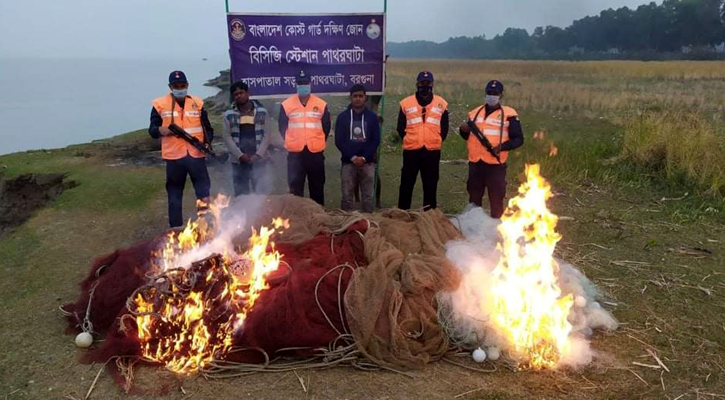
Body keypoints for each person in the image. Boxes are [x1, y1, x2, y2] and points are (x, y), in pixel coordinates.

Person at [149, 70, 214, 228]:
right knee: (174, 196)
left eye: (182, 85)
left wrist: (207, 142)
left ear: (187, 85)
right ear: (170, 87)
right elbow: (152, 130)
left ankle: (205, 225)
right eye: (176, 86)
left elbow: (208, 129)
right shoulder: (160, 105)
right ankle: (176, 230)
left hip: (196, 155)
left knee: (203, 193)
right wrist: (160, 130)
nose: (180, 88)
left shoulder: (197, 103)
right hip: (174, 158)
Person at [459, 80, 524, 219]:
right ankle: (474, 228)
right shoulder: (475, 113)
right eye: (489, 93)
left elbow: (518, 139)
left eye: (495, 93)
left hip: (495, 166)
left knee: (496, 200)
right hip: (475, 164)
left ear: (501, 95)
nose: (491, 96)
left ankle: (496, 231)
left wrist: (502, 147)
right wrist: (463, 130)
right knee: (474, 200)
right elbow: (468, 137)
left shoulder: (509, 114)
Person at [396, 70, 449, 210]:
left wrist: (435, 139)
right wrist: (411, 139)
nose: (424, 86)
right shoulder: (406, 103)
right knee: (406, 184)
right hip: (411, 151)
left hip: (432, 152)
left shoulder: (441, 104)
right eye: (422, 83)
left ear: (432, 85)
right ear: (417, 84)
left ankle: (429, 216)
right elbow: (400, 128)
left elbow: (444, 129)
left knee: (430, 185)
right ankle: (403, 214)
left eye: (427, 83)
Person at [278, 70, 331, 206]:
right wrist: (293, 140)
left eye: (305, 82)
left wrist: (316, 141)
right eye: (300, 83)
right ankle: (297, 220)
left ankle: (318, 219)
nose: (303, 85)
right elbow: (282, 127)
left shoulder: (321, 104)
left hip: (315, 154)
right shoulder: (286, 105)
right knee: (295, 190)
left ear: (310, 83)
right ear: (296, 84)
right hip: (295, 155)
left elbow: (326, 127)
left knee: (317, 188)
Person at [222, 81, 282, 196]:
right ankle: (242, 214)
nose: (239, 96)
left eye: (241, 92)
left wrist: (258, 154)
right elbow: (227, 137)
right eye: (236, 94)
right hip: (238, 162)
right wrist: (240, 155)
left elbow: (266, 135)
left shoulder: (262, 112)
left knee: (261, 193)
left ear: (248, 93)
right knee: (241, 194)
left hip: (259, 160)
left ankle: (261, 214)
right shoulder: (228, 114)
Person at [334, 84, 381, 213]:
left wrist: (364, 157)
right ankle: (347, 226)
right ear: (351, 97)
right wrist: (353, 157)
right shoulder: (342, 117)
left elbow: (375, 139)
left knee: (367, 198)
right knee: (347, 198)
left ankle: (368, 225)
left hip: (368, 163)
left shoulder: (372, 117)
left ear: (365, 98)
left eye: (361, 96)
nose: (358, 99)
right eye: (355, 96)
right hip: (349, 163)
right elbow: (339, 141)